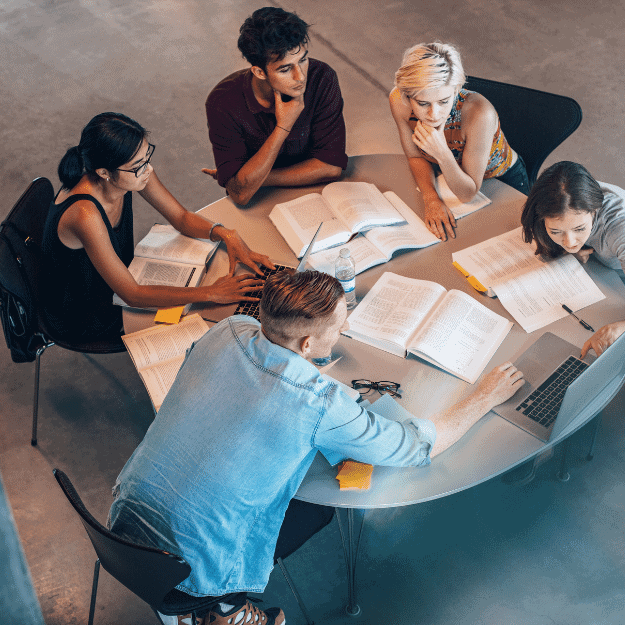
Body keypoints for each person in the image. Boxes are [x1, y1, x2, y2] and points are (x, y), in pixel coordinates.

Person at [108, 270, 525, 625]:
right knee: (322, 508)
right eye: (340, 328)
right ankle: (227, 609)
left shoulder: (229, 329)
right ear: (307, 345)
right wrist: (484, 397)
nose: (342, 332)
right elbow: (414, 447)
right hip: (191, 578)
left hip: (122, 526)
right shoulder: (321, 401)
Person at [42, 112, 272, 342]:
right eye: (138, 165)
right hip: (85, 310)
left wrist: (225, 233)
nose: (148, 169)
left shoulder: (129, 172)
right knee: (199, 327)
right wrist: (212, 293)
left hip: (117, 280)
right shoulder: (85, 215)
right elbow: (131, 294)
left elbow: (180, 217)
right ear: (103, 173)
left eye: (146, 158)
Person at [202, 7, 348, 206]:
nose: (301, 76)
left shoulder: (322, 77)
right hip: (260, 204)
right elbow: (240, 196)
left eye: (303, 60)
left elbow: (331, 168)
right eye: (285, 69)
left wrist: (256, 179)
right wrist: (283, 127)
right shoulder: (223, 103)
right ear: (259, 72)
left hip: (316, 196)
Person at [389, 42, 529, 241]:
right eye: (422, 103)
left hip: (501, 180)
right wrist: (431, 198)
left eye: (444, 101)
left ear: (455, 90)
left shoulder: (480, 113)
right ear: (407, 96)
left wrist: (442, 153)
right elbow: (414, 156)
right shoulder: (398, 101)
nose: (434, 114)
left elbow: (467, 193)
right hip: (448, 177)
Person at [521, 160, 625, 359]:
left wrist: (622, 327)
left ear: (594, 211)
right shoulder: (557, 203)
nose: (569, 242)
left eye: (579, 229)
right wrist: (574, 249)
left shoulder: (620, 227)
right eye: (556, 231)